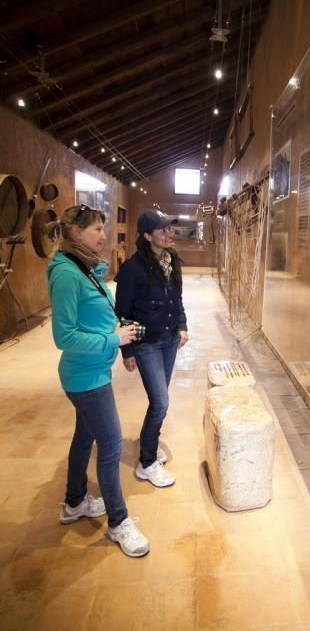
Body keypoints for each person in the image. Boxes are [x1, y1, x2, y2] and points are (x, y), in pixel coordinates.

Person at [47, 204, 149, 558]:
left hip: (93, 370)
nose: (103, 235)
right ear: (76, 233)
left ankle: (74, 502)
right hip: (85, 376)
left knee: (84, 436)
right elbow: (64, 336)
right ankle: (119, 523)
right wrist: (114, 339)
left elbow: (91, 320)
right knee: (110, 447)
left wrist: (117, 331)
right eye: (96, 230)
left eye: (103, 229)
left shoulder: (82, 267)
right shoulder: (66, 274)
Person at [115, 209, 188, 488]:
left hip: (169, 340)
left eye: (170, 229)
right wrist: (128, 350)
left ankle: (149, 441)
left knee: (159, 400)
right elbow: (123, 312)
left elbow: (177, 299)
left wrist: (182, 325)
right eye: (163, 230)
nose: (170, 234)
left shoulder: (172, 261)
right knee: (161, 402)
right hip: (146, 344)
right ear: (147, 236)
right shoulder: (133, 269)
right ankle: (147, 462)